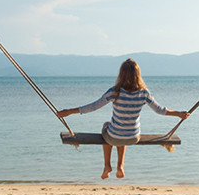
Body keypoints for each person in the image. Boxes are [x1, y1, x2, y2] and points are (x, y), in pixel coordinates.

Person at [56, 58, 189, 179]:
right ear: (138, 74)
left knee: (107, 127)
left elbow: (93, 106)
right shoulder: (144, 93)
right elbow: (160, 110)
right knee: (122, 130)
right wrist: (179, 114)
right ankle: (120, 166)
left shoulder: (115, 91)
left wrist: (69, 111)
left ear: (121, 74)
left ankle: (107, 165)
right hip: (133, 137)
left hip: (115, 135)